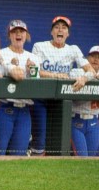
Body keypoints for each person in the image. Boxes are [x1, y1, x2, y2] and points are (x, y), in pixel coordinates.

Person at [30, 15, 87, 156]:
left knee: (59, 137)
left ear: (68, 33)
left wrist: (84, 78)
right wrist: (56, 75)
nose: (60, 30)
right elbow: (34, 71)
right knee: (40, 136)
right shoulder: (39, 46)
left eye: (64, 28)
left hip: (61, 101)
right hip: (41, 97)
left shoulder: (73, 49)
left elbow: (90, 69)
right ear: (51, 32)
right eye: (56, 27)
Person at [0, 19, 38, 155]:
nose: (18, 34)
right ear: (9, 35)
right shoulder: (1, 53)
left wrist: (32, 72)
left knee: (18, 154)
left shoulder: (33, 57)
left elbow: (37, 85)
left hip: (24, 110)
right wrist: (11, 66)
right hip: (5, 107)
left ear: (27, 35)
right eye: (14, 32)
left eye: (21, 31)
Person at [66, 45, 99, 157]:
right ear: (87, 58)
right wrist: (87, 77)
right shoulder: (77, 72)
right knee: (82, 158)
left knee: (90, 160)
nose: (95, 59)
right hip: (76, 119)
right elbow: (73, 75)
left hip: (94, 122)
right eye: (93, 56)